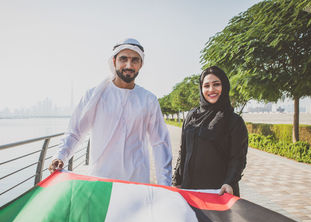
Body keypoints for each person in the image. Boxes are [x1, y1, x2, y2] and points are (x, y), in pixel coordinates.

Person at [49, 38, 172, 186]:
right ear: (114, 62)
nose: (129, 65)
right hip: (101, 182)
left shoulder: (148, 99)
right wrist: (60, 156)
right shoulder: (94, 95)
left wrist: (165, 185)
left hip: (137, 183)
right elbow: (75, 132)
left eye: (135, 60)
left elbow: (160, 143)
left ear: (140, 65)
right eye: (123, 59)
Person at [172, 66, 248, 196]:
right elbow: (183, 151)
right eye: (206, 86)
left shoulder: (233, 121)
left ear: (224, 86)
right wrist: (177, 180)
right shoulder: (191, 116)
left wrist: (229, 182)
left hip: (220, 192)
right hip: (189, 189)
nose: (211, 89)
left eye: (216, 84)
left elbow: (237, 159)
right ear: (201, 89)